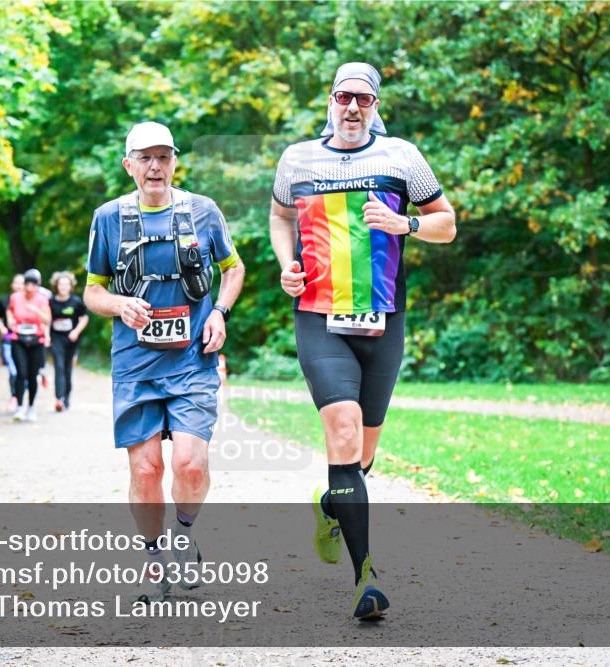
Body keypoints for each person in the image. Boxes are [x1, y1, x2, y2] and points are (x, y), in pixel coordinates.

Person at [269, 62, 456, 620]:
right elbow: (280, 217)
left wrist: (408, 226)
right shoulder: (297, 158)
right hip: (318, 314)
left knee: (362, 453)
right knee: (343, 432)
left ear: (376, 106)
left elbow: (446, 221)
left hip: (383, 319)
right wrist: (286, 265)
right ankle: (365, 578)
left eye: (364, 100)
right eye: (344, 97)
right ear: (329, 99)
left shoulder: (401, 156)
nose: (353, 108)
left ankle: (333, 502)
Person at [84, 121, 245, 604]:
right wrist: (119, 305)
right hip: (135, 362)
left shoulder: (203, 211)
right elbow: (93, 291)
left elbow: (232, 269)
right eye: (146, 157)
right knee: (147, 471)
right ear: (128, 164)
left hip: (193, 358)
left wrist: (220, 311)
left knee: (190, 464)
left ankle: (185, 535)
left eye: (165, 157)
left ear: (175, 162)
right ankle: (154, 559)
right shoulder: (109, 218)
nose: (156, 166)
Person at [6, 269, 52, 422]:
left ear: (38, 286)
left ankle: (31, 407)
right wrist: (10, 320)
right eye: (27, 284)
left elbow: (47, 320)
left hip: (36, 341)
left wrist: (37, 311)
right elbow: (9, 311)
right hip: (18, 339)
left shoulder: (42, 299)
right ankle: (19, 407)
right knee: (21, 373)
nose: (30, 287)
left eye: (33, 284)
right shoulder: (15, 297)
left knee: (33, 376)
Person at [48, 271, 89, 412]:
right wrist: (47, 336)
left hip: (71, 339)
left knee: (67, 368)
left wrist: (76, 331)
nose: (63, 287)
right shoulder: (51, 301)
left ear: (71, 286)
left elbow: (84, 318)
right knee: (58, 367)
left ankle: (67, 397)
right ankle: (59, 399)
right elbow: (47, 320)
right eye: (61, 284)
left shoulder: (76, 301)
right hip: (56, 338)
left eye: (66, 284)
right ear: (56, 286)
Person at [0, 275, 24, 413]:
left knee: (25, 372)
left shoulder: (30, 300)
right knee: (14, 371)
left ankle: (22, 397)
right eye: (16, 282)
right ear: (12, 285)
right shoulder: (6, 301)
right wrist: (1, 328)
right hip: (9, 340)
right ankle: (14, 397)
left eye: (21, 283)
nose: (18, 285)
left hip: (26, 341)